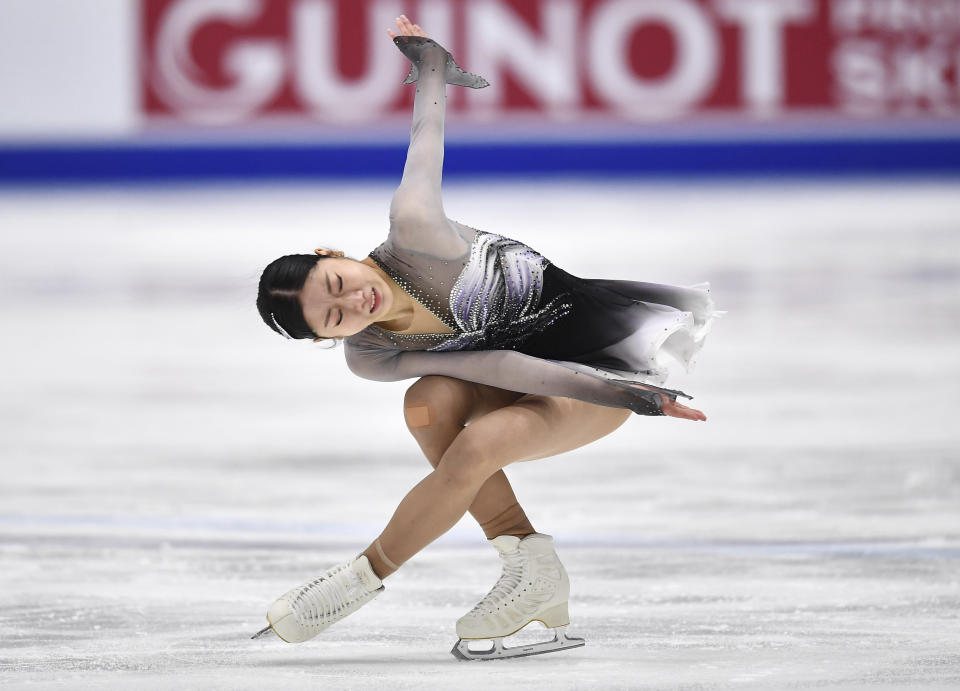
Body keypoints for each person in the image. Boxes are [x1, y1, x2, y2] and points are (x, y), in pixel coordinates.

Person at [253, 16, 722, 660]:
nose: (352, 302)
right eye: (334, 318)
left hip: (601, 367)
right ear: (326, 341)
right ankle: (530, 565)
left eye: (337, 281)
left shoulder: (414, 230)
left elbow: (426, 139)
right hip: (520, 374)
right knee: (428, 401)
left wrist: (430, 67)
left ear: (333, 253)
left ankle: (356, 583)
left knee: (484, 441)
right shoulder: (373, 354)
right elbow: (498, 364)